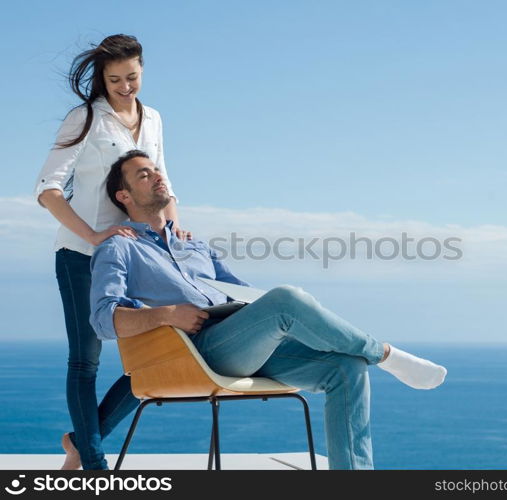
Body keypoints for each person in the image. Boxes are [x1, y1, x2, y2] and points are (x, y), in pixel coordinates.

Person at [89, 149, 448, 470]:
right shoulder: (120, 248)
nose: (157, 176)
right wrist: (168, 314)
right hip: (195, 352)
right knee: (286, 299)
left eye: (156, 170)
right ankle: (386, 355)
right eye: (144, 174)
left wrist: (278, 310)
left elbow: (240, 291)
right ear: (124, 196)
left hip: (245, 342)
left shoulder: (192, 245)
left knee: (346, 367)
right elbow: (104, 319)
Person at [34, 35, 190, 470]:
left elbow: (164, 182)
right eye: (114, 79)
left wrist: (173, 229)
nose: (125, 87)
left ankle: (83, 444)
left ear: (143, 70)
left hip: (136, 256)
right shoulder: (84, 118)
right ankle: (96, 465)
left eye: (132, 77)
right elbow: (46, 190)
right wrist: (95, 234)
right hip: (81, 256)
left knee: (155, 354)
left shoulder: (154, 117)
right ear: (101, 78)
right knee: (86, 360)